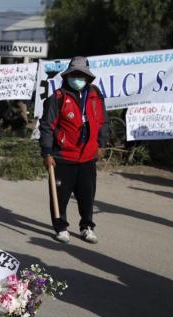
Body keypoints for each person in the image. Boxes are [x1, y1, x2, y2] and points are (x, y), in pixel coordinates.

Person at [39, 56, 109, 244]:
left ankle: (87, 227)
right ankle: (61, 227)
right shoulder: (58, 98)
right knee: (60, 196)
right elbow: (47, 126)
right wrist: (47, 152)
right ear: (68, 75)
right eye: (74, 75)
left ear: (87, 77)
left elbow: (102, 121)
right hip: (62, 156)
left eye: (81, 75)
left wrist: (102, 143)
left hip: (87, 157)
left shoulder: (95, 95)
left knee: (87, 195)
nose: (77, 78)